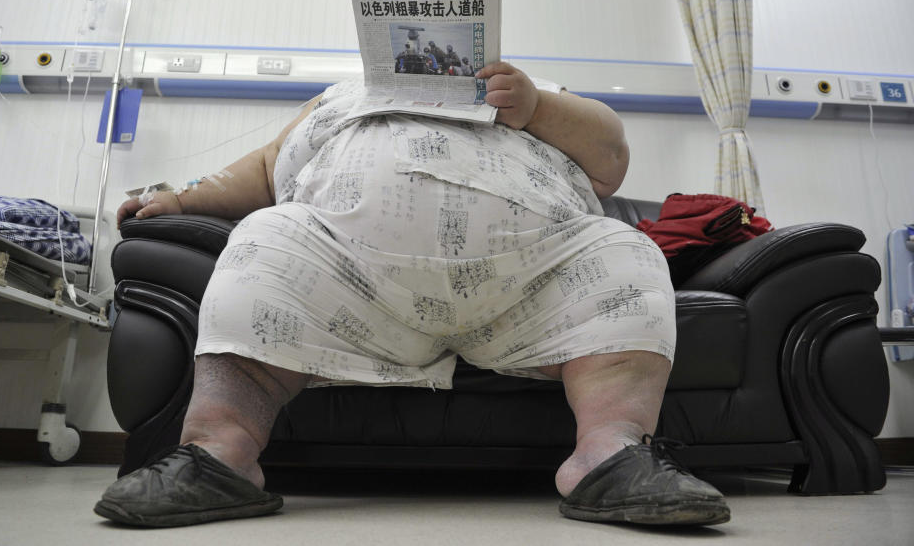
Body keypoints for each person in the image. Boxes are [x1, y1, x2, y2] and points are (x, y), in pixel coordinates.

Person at [94, 61, 730, 528]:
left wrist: (533, 105)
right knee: (267, 236)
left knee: (623, 249)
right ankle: (218, 455)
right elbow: (263, 170)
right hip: (347, 283)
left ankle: (610, 454)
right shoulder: (340, 97)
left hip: (536, 283)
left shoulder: (529, 91)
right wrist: (175, 199)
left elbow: (612, 157)